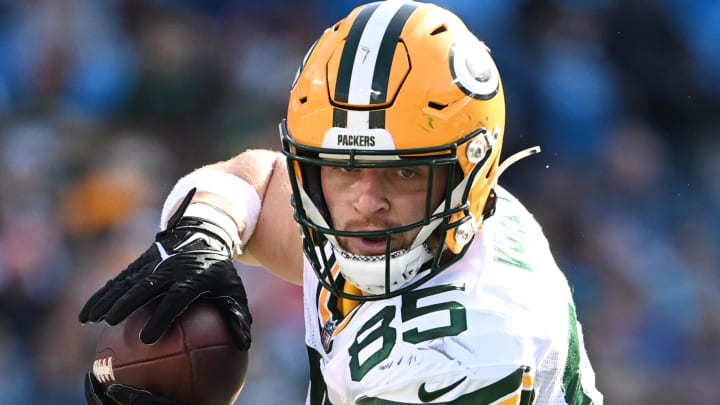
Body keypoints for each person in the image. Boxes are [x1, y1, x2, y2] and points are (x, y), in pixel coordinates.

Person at [80, 1, 604, 404]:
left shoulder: (471, 350)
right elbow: (259, 179)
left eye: (402, 172)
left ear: (471, 169)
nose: (365, 203)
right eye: (340, 168)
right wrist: (205, 231)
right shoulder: (431, 219)